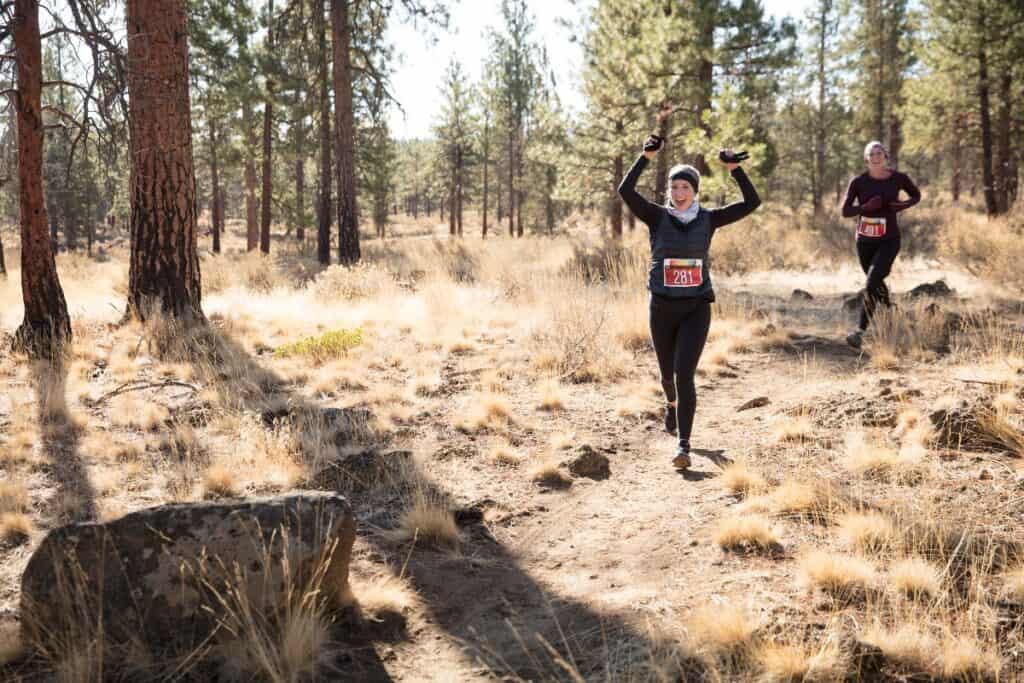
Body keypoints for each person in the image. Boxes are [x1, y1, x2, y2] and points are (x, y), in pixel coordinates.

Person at [618, 136, 761, 470]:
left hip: (696, 308)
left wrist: (735, 170)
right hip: (662, 308)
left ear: (694, 191)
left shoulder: (709, 219)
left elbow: (752, 202)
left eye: (684, 187)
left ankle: (684, 445)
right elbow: (626, 191)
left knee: (685, 376)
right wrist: (645, 157)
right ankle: (670, 404)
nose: (678, 192)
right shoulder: (656, 217)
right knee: (667, 375)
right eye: (674, 187)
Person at [841, 141, 921, 349]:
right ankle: (892, 315)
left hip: (889, 239)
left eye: (879, 153)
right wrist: (864, 207)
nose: (876, 157)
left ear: (885, 156)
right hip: (864, 241)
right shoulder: (858, 182)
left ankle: (859, 331)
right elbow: (845, 211)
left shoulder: (898, 179)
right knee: (875, 284)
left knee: (871, 282)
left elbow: (916, 195)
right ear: (866, 159)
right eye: (871, 154)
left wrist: (904, 205)